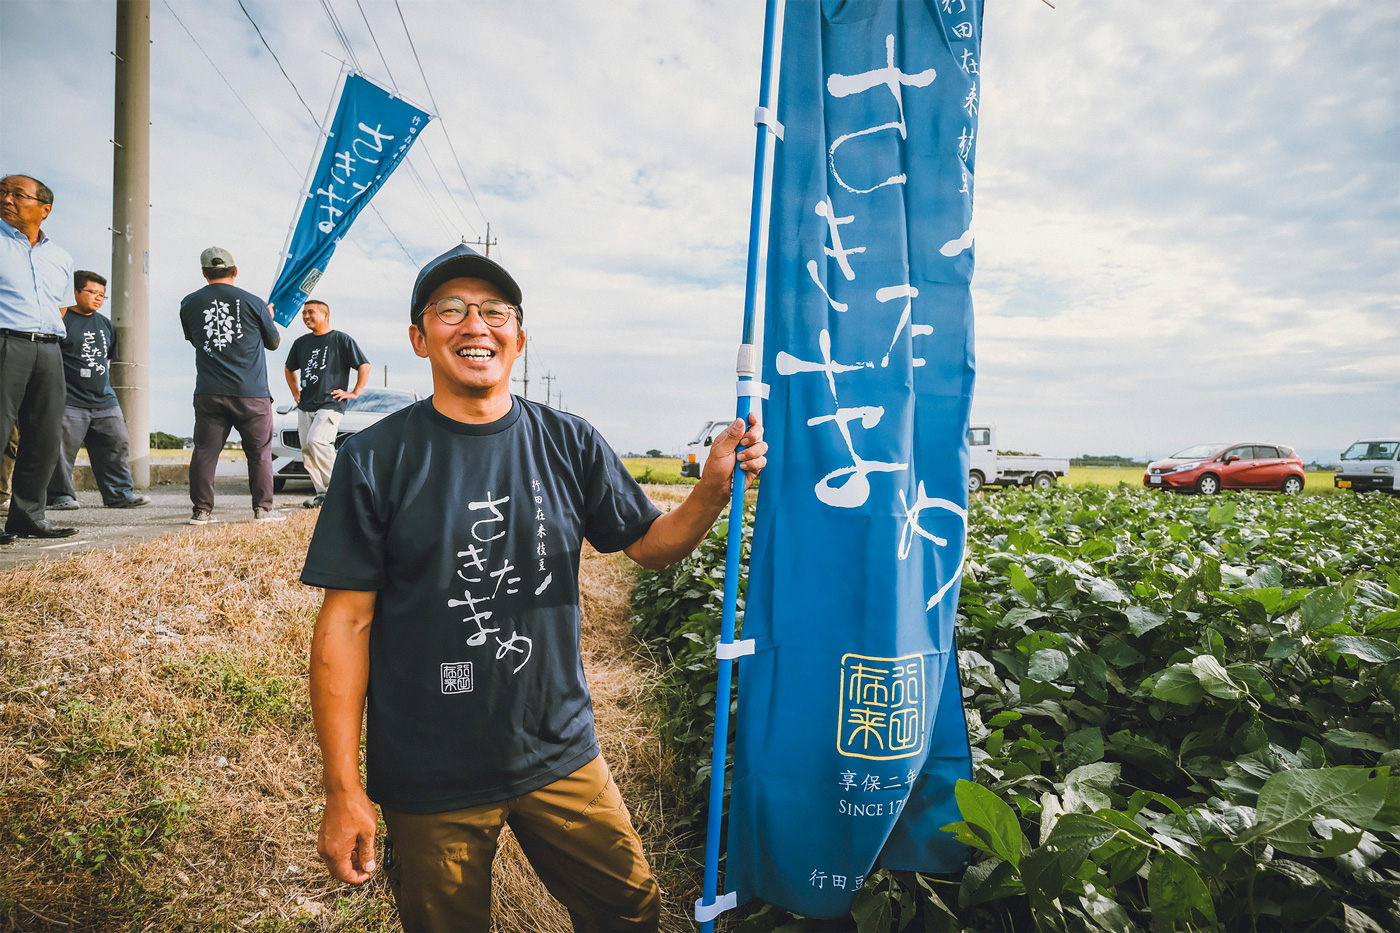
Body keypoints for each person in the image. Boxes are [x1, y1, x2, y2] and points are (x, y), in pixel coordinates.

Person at [302, 244, 766, 932]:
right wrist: (343, 788)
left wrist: (710, 492)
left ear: (519, 336)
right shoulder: (376, 456)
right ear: (418, 336)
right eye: (451, 310)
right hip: (429, 770)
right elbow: (345, 626)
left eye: (494, 311)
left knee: (629, 909)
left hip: (559, 747)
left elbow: (649, 544)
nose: (475, 326)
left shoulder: (568, 441)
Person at [178, 246, 284, 524]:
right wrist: (267, 318)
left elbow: (193, 339)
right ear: (235, 271)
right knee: (259, 454)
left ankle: (201, 511)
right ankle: (263, 510)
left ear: (204, 273)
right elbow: (273, 342)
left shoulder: (188, 303)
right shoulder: (253, 301)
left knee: (205, 451)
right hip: (252, 393)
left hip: (209, 390)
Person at [0, 173, 77, 543]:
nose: (7, 198)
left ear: (44, 209)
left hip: (48, 349)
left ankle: (27, 516)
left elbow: (60, 307)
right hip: (5, 343)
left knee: (44, 436)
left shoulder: (61, 257)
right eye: (3, 192)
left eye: (17, 194)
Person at [46, 271, 151, 511]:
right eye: (92, 292)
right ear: (74, 292)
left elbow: (106, 359)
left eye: (102, 295)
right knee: (60, 452)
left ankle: (119, 495)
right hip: (69, 400)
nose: (98, 298)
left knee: (117, 445)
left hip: (105, 400)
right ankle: (59, 496)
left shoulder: (105, 324)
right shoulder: (60, 320)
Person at [283, 299, 370, 509]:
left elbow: (364, 365)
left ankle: (342, 491)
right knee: (307, 449)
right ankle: (324, 494)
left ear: (325, 315)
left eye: (310, 312)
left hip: (331, 403)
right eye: (304, 313)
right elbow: (289, 368)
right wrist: (295, 391)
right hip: (306, 404)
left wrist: (355, 392)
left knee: (317, 441)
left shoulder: (341, 340)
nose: (305, 317)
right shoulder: (301, 343)